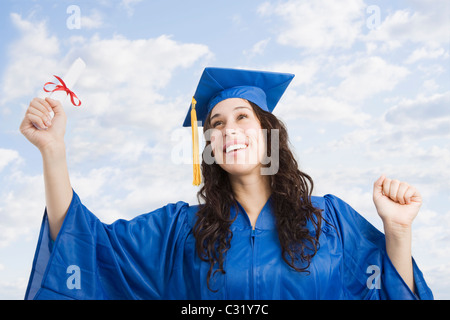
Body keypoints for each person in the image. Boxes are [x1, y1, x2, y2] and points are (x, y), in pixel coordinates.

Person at [21, 67, 433, 300]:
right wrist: (53, 150)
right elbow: (85, 247)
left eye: (242, 117)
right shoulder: (180, 229)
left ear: (268, 131)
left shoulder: (332, 221)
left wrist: (397, 232)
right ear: (210, 148)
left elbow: (385, 292)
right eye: (216, 124)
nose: (228, 130)